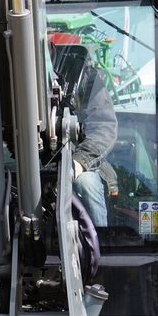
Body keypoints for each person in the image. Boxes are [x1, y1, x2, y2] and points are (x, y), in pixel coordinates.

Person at [52, 41, 118, 227]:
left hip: (77, 157)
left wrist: (80, 161)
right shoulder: (5, 72)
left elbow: (103, 125)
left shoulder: (82, 74)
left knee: (86, 184)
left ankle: (99, 243)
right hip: (22, 162)